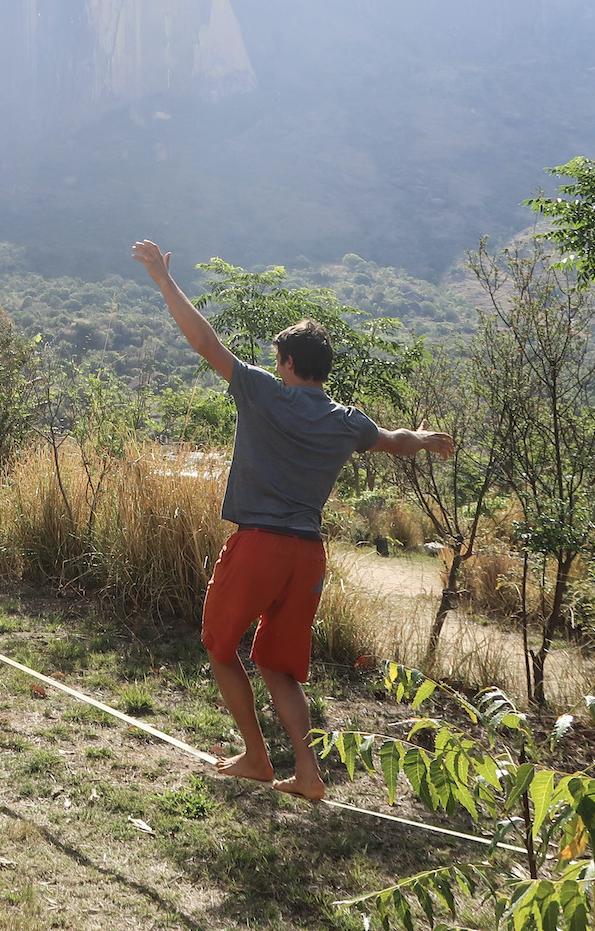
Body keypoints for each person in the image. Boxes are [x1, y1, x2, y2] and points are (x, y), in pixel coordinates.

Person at [132, 239, 454, 801]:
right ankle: (307, 773)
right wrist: (426, 439)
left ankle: (257, 758)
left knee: (219, 647)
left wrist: (163, 279)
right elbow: (396, 439)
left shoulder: (264, 393)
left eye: (278, 357)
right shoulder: (347, 421)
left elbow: (205, 342)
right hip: (307, 555)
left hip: (259, 545)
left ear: (285, 364)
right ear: (322, 369)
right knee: (277, 664)